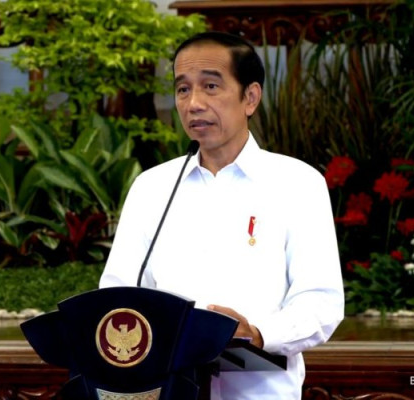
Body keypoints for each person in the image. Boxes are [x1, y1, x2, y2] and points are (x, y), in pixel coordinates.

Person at [99, 31, 344, 400]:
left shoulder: (298, 183)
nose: (194, 103)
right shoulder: (152, 188)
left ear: (250, 97)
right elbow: (116, 296)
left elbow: (321, 302)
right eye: (183, 89)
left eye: (210, 86)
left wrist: (258, 334)